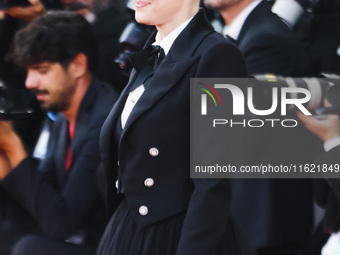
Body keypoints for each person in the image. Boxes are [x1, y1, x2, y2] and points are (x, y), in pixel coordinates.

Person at [96, 0, 255, 254]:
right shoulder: (151, 54)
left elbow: (213, 182)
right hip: (128, 227)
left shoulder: (218, 55)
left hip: (177, 234)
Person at [203, 0, 317, 254]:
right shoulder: (241, 34)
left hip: (264, 222)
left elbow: (240, 134)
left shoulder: (266, 40)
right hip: (247, 219)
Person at [0, 11, 118, 255]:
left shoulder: (104, 121)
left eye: (41, 70)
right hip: (74, 238)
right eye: (29, 71)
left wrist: (14, 146)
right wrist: (5, 164)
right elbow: (43, 197)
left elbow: (61, 223)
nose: (29, 82)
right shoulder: (63, 115)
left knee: (29, 248)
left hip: (106, 246)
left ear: (77, 65)